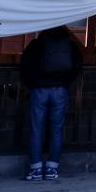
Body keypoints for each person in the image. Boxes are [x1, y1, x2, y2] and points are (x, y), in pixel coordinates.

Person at [20, 26, 82, 181]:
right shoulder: (69, 44)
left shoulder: (36, 44)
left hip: (39, 90)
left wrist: (31, 84)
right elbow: (77, 65)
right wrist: (65, 82)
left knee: (36, 129)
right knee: (57, 129)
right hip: (60, 89)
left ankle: (35, 168)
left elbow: (25, 65)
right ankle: (52, 169)